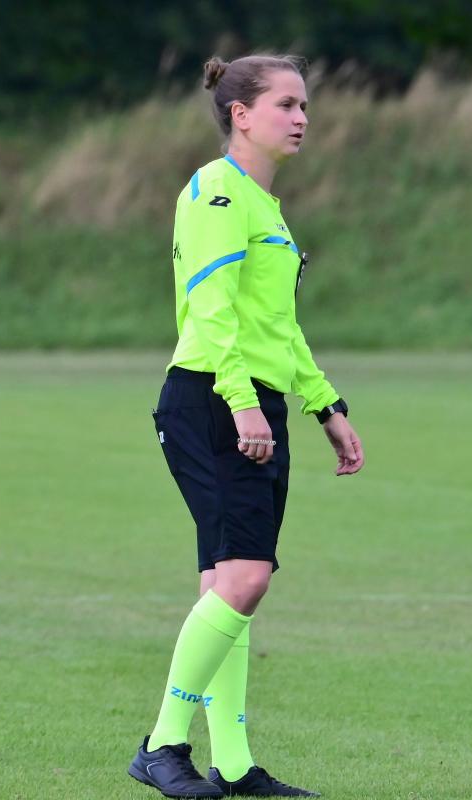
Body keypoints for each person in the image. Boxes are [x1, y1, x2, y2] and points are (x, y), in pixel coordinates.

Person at [128, 54, 364, 799]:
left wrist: (325, 405)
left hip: (249, 399)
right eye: (286, 104)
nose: (302, 118)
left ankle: (231, 763)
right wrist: (240, 401)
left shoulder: (264, 206)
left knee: (227, 582)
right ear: (241, 114)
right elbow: (212, 310)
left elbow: (278, 326)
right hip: (212, 399)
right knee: (246, 578)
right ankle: (162, 744)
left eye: (305, 105)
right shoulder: (217, 191)